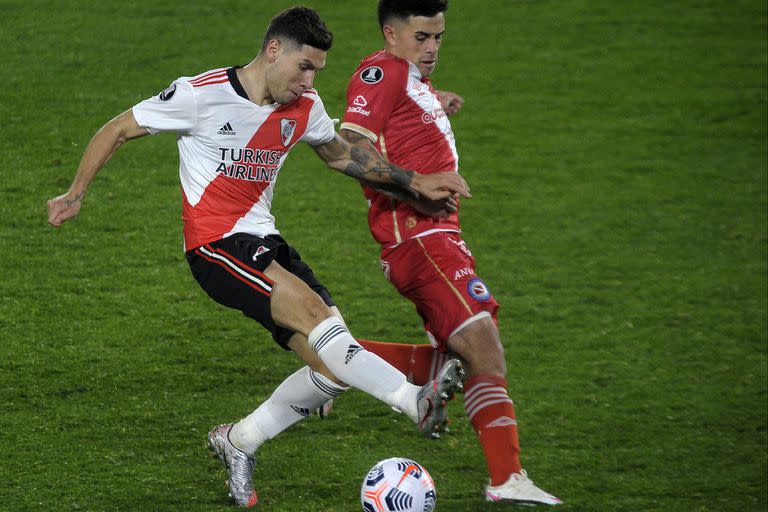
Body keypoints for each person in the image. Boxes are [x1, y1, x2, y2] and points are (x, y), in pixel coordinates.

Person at [46, 7, 470, 509]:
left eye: (317, 71)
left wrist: (411, 181)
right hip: (216, 246)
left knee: (334, 369)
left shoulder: (304, 106)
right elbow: (117, 128)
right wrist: (75, 193)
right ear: (274, 51)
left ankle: (239, 441)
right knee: (318, 322)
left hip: (266, 242)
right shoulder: (200, 94)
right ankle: (410, 399)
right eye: (304, 67)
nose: (309, 81)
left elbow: (342, 155)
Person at [338, 0, 562, 505]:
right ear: (390, 34)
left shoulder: (406, 76)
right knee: (483, 345)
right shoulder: (383, 70)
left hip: (440, 236)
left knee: (464, 353)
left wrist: (433, 100)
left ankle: (338, 360)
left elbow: (398, 110)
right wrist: (416, 180)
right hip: (418, 237)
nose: (433, 47)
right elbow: (349, 145)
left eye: (439, 37)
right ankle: (507, 480)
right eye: (422, 37)